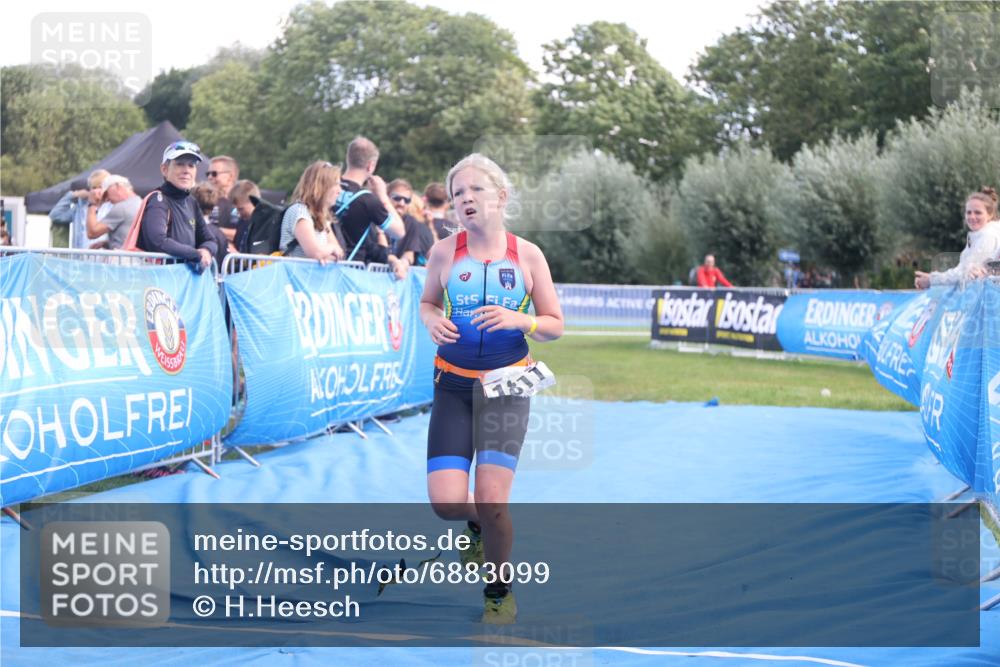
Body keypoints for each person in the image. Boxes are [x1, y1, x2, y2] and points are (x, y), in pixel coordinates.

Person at [420, 153, 564, 624]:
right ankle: (474, 523)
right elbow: (426, 302)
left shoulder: (527, 255)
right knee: (445, 503)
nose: (465, 199)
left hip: (507, 387)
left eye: (475, 190)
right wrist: (432, 320)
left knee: (494, 497)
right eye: (458, 192)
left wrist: (520, 319)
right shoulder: (444, 252)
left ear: (501, 197)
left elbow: (554, 326)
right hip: (453, 388)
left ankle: (498, 590)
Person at [136, 141, 217, 270]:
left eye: (191, 165)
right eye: (179, 164)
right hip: (158, 280)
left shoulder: (191, 202)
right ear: (164, 169)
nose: (186, 170)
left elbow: (210, 240)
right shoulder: (158, 200)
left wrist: (206, 251)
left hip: (183, 281)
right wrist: (195, 255)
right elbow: (158, 241)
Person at [335, 136, 408, 277]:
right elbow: (399, 232)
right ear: (370, 165)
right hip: (351, 272)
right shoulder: (367, 200)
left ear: (347, 158)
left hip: (321, 266)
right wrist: (383, 196)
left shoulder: (327, 187)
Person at [915, 187, 1000, 288]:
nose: (972, 217)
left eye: (978, 212)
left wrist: (932, 280)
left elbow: (970, 275)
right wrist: (933, 278)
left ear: (990, 215)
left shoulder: (988, 236)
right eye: (969, 212)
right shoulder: (979, 235)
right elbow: (962, 271)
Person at [278, 161, 346, 262]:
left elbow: (339, 254)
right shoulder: (299, 211)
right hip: (294, 276)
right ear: (320, 186)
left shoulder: (322, 217)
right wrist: (331, 249)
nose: (340, 190)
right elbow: (316, 253)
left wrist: (325, 254)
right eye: (335, 184)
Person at [50, 169, 111, 249]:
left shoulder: (112, 206)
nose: (96, 191)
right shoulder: (80, 208)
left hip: (104, 257)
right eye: (94, 187)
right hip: (81, 257)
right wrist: (73, 195)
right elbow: (55, 215)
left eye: (100, 187)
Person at [389, 178, 435, 268]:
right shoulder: (377, 217)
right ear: (387, 196)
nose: (402, 203)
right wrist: (394, 262)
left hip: (399, 275)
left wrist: (403, 263)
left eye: (407, 200)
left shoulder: (412, 222)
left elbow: (410, 253)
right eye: (397, 198)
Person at [86, 175, 141, 250]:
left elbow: (92, 233)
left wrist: (92, 204)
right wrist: (106, 244)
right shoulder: (140, 202)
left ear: (118, 187)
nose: (107, 199)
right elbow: (127, 237)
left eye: (107, 194)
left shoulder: (122, 207)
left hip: (122, 259)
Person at [207, 155, 240, 243]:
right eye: (208, 174)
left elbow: (246, 234)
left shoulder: (243, 201)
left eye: (214, 173)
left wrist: (214, 230)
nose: (210, 177)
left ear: (230, 176)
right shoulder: (205, 200)